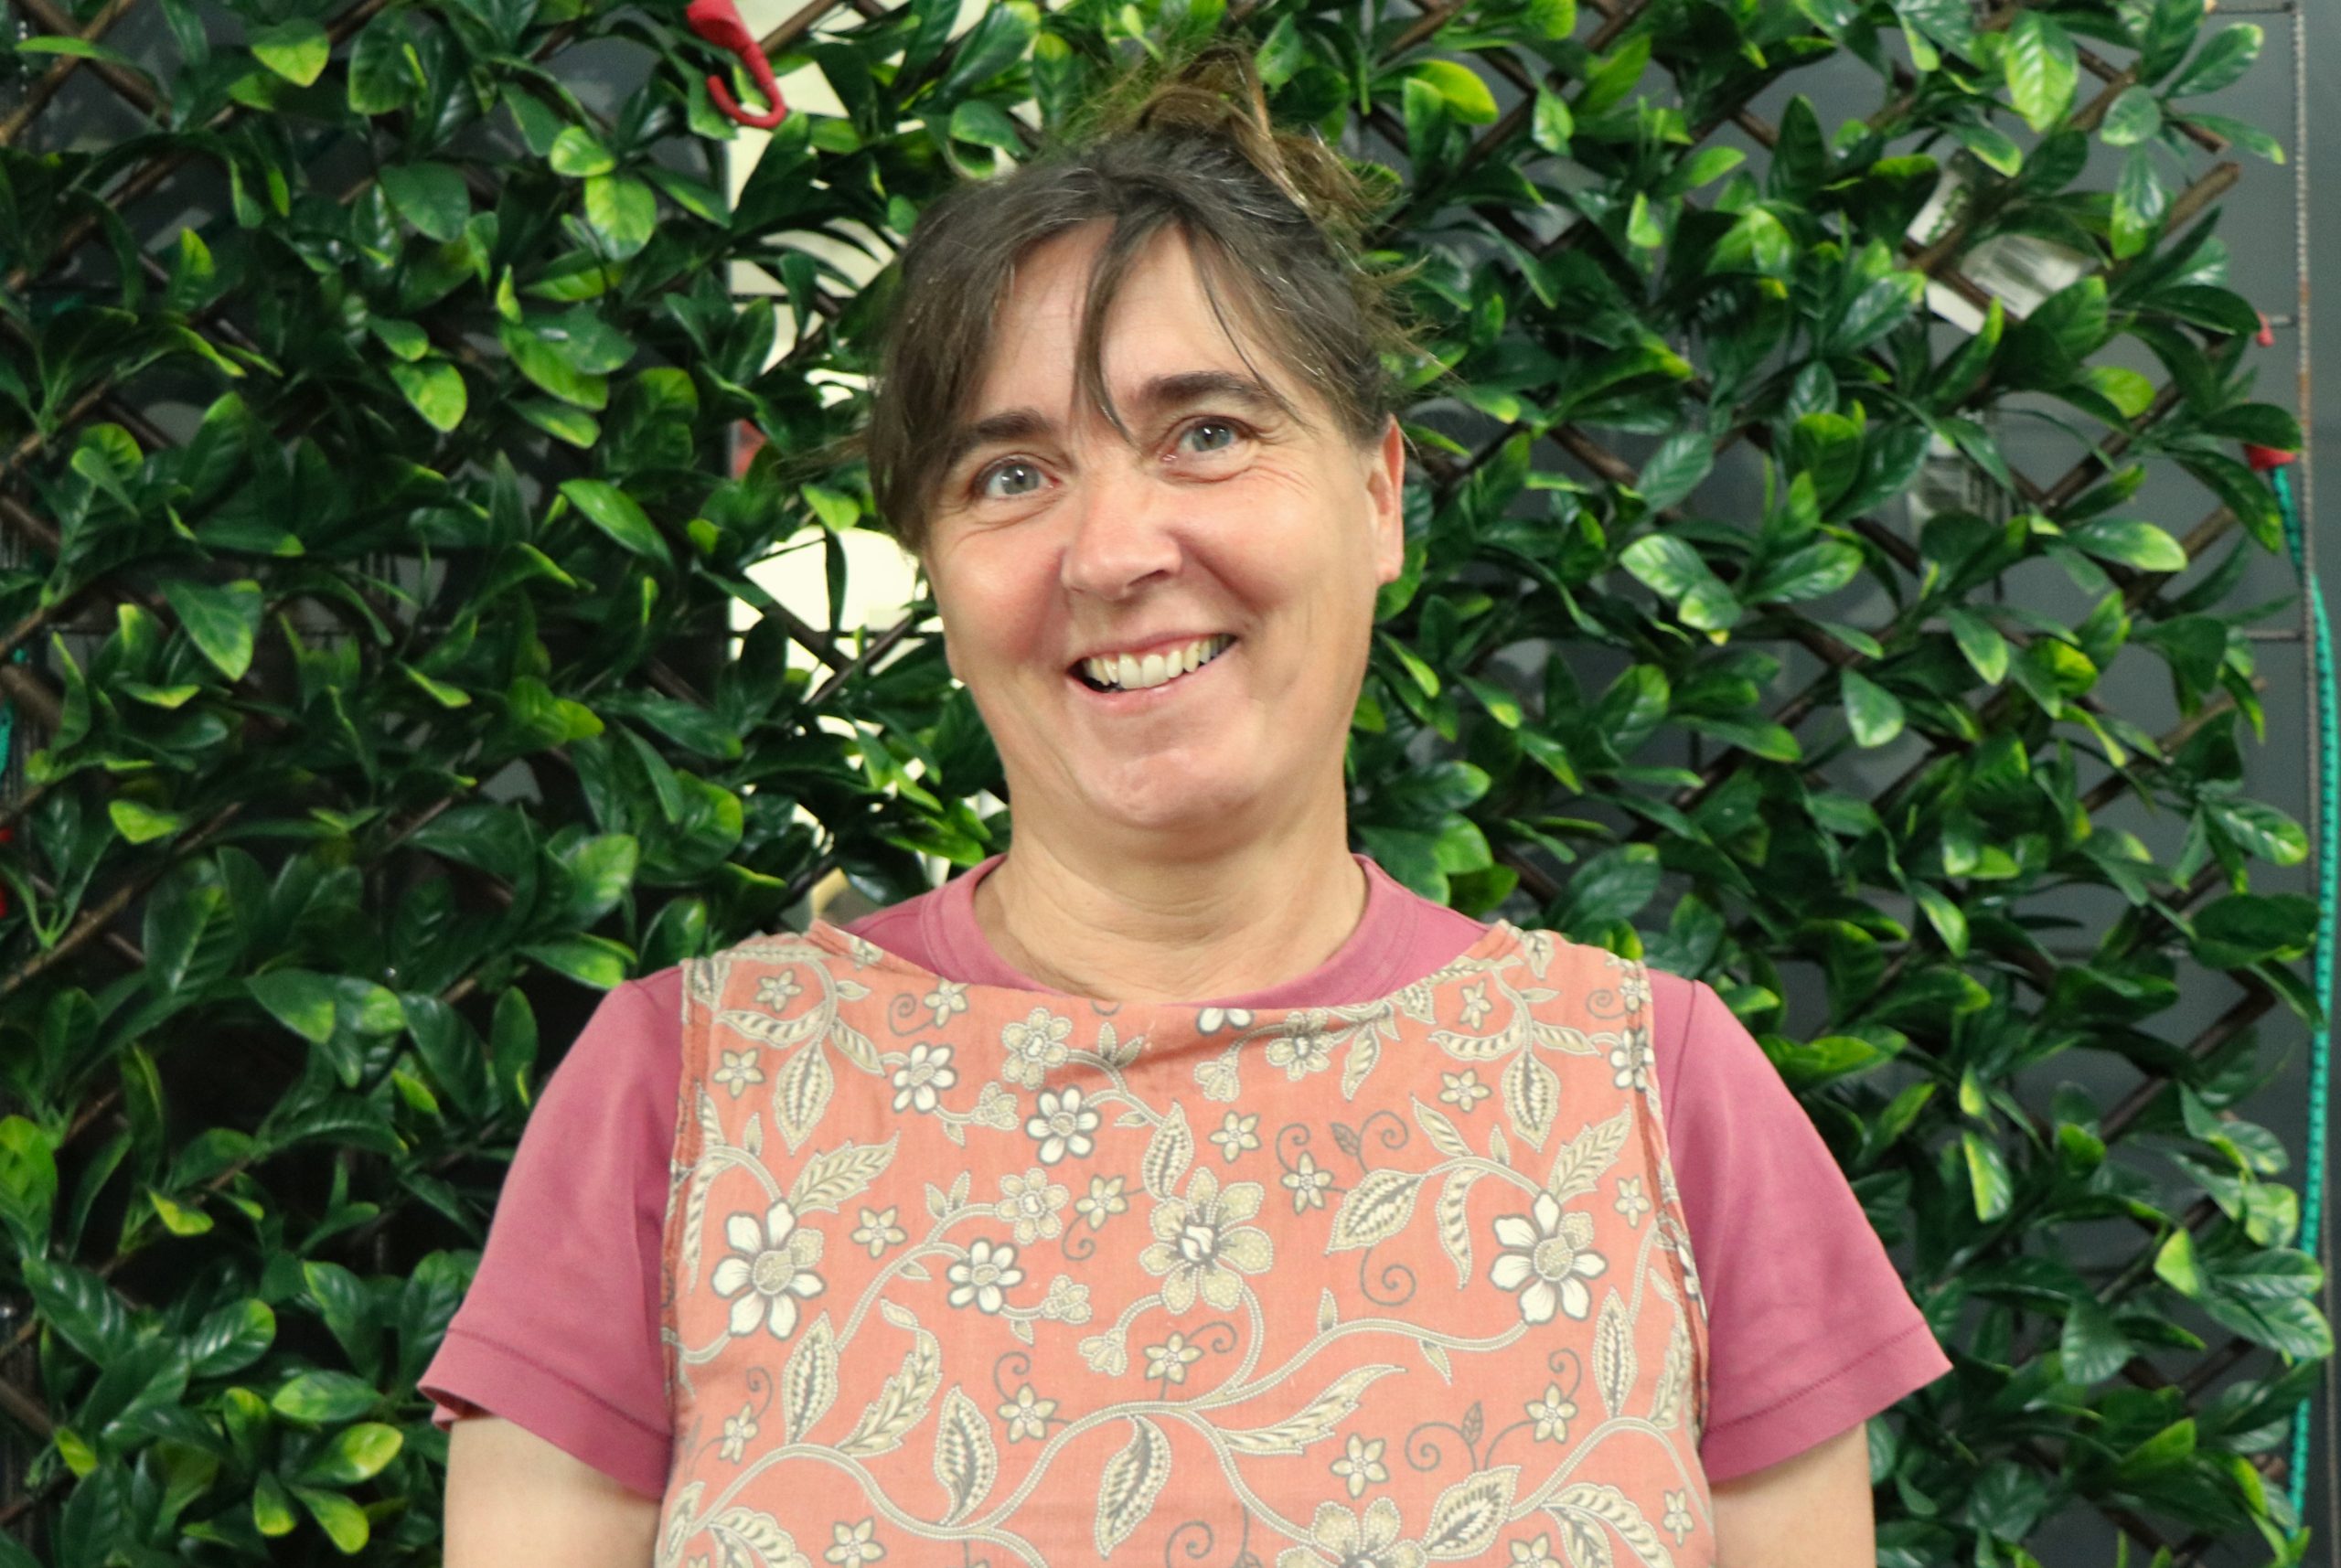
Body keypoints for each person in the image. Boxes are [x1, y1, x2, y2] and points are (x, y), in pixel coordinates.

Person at [433, 44, 1950, 1568]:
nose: (1111, 550)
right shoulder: (681, 1101)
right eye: (1010, 475)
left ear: (1378, 497)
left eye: (1206, 433)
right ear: (942, 582)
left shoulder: (1661, 1098)